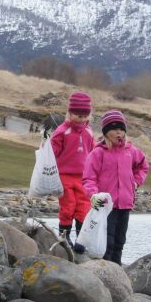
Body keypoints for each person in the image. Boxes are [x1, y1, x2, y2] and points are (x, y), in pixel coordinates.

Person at [82, 109, 150, 264]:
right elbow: (88, 178)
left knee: (120, 239)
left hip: (125, 203)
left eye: (121, 129)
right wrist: (93, 195)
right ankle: (106, 267)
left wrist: (135, 182)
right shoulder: (98, 153)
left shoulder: (131, 151)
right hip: (106, 205)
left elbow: (143, 166)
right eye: (114, 129)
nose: (118, 133)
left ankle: (117, 267)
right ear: (106, 132)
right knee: (108, 239)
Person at [49, 92, 95, 249]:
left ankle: (81, 239)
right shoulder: (62, 131)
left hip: (84, 177)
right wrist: (47, 148)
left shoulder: (89, 131)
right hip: (65, 175)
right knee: (68, 206)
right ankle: (64, 236)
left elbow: (93, 151)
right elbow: (53, 151)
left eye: (84, 116)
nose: (81, 119)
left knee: (83, 206)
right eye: (77, 115)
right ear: (69, 113)